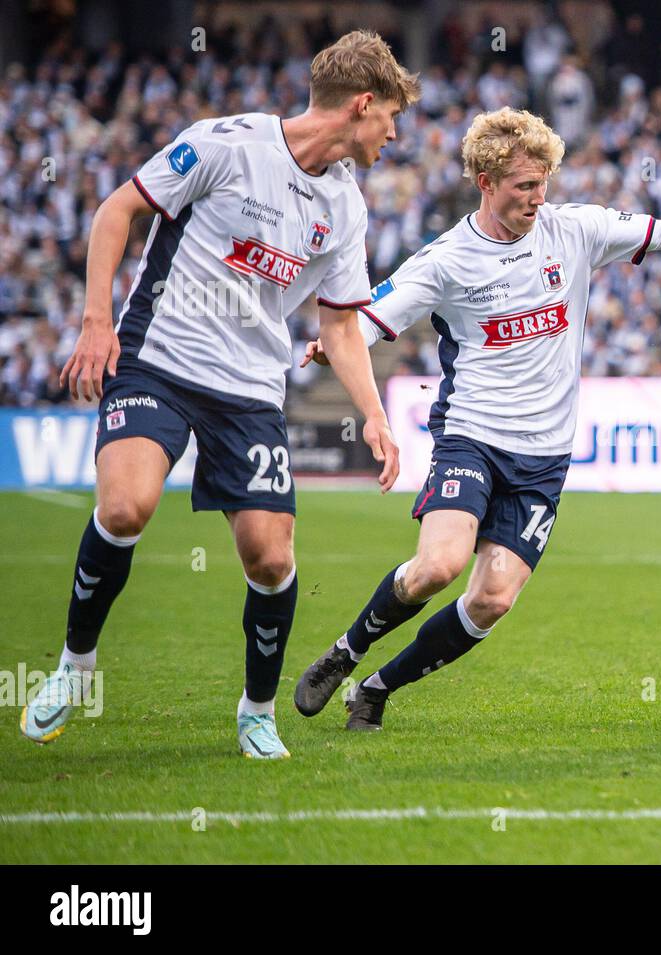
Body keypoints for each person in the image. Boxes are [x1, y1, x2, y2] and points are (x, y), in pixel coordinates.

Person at [293, 107, 661, 730]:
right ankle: (346, 651)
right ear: (485, 182)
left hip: (545, 455)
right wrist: (336, 343)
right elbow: (373, 315)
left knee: (492, 599)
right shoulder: (446, 259)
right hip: (472, 435)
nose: (537, 197)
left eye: (543, 182)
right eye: (523, 186)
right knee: (439, 567)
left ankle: (376, 688)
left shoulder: (575, 229)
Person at [20, 31, 419, 758]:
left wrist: (374, 415)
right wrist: (96, 323)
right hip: (159, 359)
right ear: (362, 104)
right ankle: (76, 667)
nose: (395, 133)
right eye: (392, 116)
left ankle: (256, 709)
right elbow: (117, 211)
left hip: (250, 389)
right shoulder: (225, 145)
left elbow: (340, 323)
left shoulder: (347, 207)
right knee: (124, 505)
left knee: (270, 557)